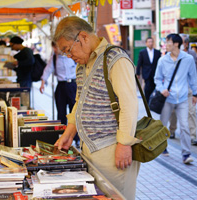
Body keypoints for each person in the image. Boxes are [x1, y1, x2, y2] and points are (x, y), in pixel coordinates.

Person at [53, 16, 140, 199]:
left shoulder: (115, 59)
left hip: (114, 153)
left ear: (83, 37)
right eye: (65, 53)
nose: (70, 56)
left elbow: (129, 105)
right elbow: (79, 102)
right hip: (90, 152)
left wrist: (124, 145)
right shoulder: (82, 65)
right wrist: (68, 134)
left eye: (68, 50)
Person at [154, 33, 197, 164]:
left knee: (184, 126)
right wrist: (162, 89)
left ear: (176, 44)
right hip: (167, 99)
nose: (166, 45)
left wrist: (194, 93)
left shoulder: (188, 59)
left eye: (168, 42)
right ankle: (163, 147)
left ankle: (186, 154)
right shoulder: (162, 60)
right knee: (163, 124)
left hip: (183, 98)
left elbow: (192, 77)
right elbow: (157, 79)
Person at [39, 41, 79, 146]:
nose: (55, 50)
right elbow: (48, 69)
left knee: (73, 112)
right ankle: (62, 136)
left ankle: (76, 137)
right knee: (61, 113)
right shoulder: (54, 58)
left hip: (73, 85)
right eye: (54, 49)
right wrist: (43, 82)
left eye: (57, 48)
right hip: (61, 86)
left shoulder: (72, 56)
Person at [169, 37, 197, 146]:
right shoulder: (172, 54)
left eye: (185, 42)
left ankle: (193, 136)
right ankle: (172, 130)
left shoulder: (191, 54)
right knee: (173, 111)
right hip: (175, 87)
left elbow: (195, 68)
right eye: (182, 42)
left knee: (191, 111)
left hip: (188, 87)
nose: (184, 44)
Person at [136, 37, 161, 103]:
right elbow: (139, 63)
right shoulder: (142, 52)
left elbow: (159, 64)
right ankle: (147, 103)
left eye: (152, 42)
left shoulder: (157, 52)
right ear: (146, 43)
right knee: (147, 89)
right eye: (149, 42)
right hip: (146, 73)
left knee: (154, 88)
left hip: (155, 73)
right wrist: (137, 73)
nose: (150, 43)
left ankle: (153, 102)